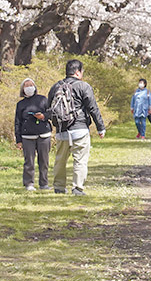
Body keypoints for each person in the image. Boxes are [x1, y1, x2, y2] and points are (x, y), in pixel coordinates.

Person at [48, 59, 106, 195]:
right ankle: (77, 188)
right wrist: (100, 127)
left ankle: (59, 187)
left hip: (62, 130)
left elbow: (49, 108)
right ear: (78, 72)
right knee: (80, 159)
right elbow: (93, 108)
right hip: (79, 129)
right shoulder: (83, 86)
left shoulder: (56, 87)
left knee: (60, 160)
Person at [14, 78, 52, 191]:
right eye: (26, 85)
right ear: (23, 89)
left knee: (44, 161)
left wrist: (43, 117)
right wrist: (18, 140)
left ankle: (44, 184)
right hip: (27, 136)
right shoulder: (20, 104)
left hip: (44, 134)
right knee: (29, 161)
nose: (29, 87)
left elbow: (51, 112)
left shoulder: (43, 99)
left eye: (31, 85)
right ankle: (29, 184)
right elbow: (17, 122)